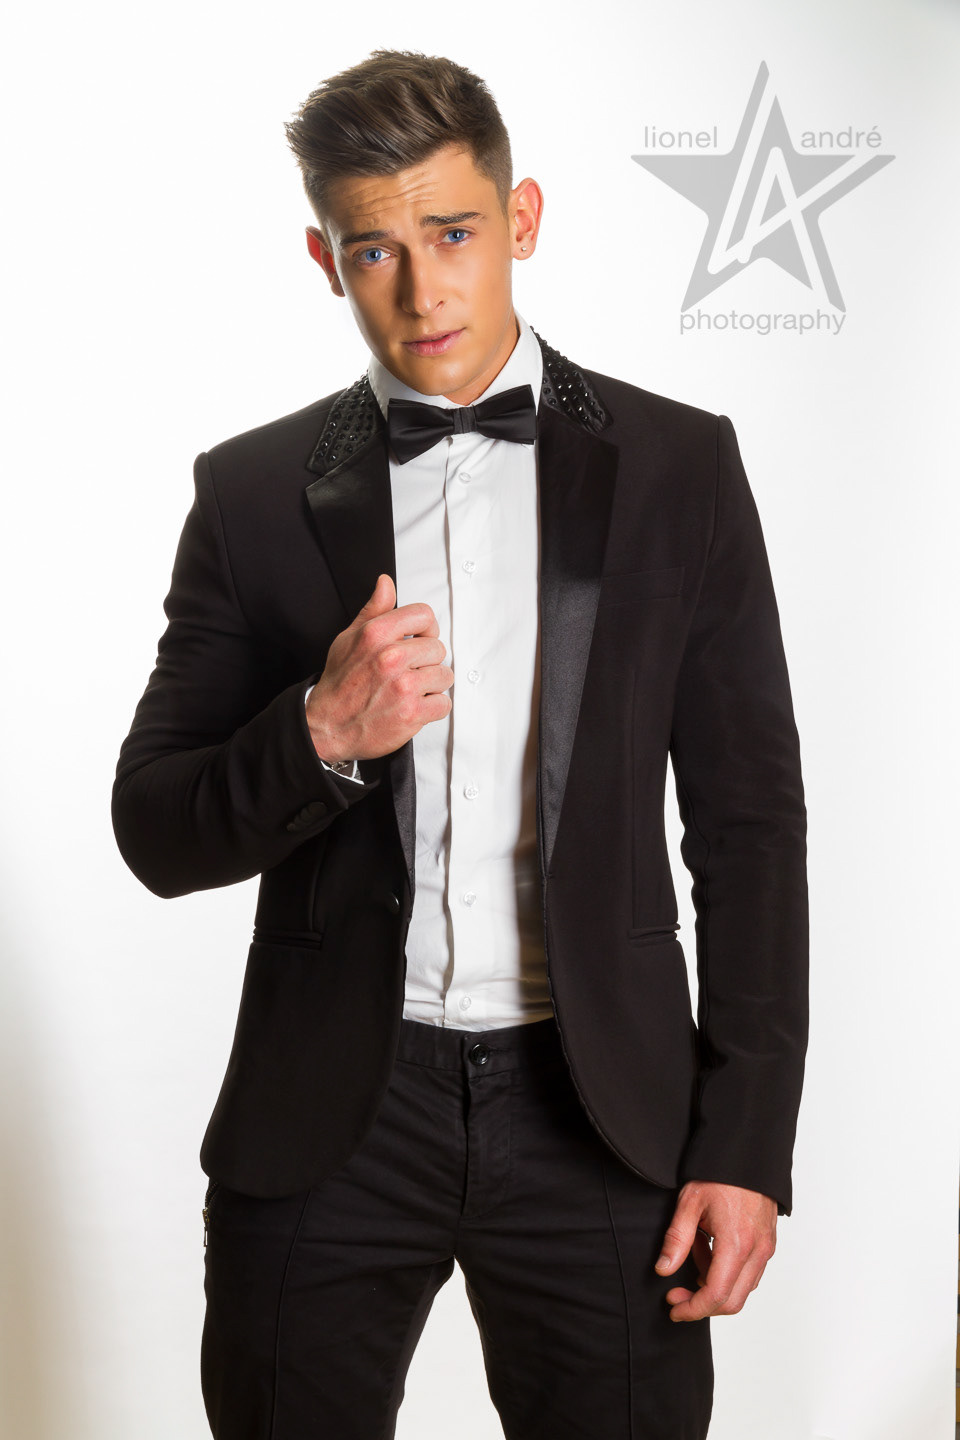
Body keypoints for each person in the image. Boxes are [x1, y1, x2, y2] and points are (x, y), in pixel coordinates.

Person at [112, 48, 808, 1440]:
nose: (423, 292)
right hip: (331, 1117)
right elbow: (155, 829)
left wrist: (746, 1144)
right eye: (375, 250)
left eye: (452, 234)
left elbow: (749, 828)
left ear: (521, 219)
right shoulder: (250, 494)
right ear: (326, 258)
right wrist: (319, 733)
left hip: (602, 1115)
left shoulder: (680, 468)